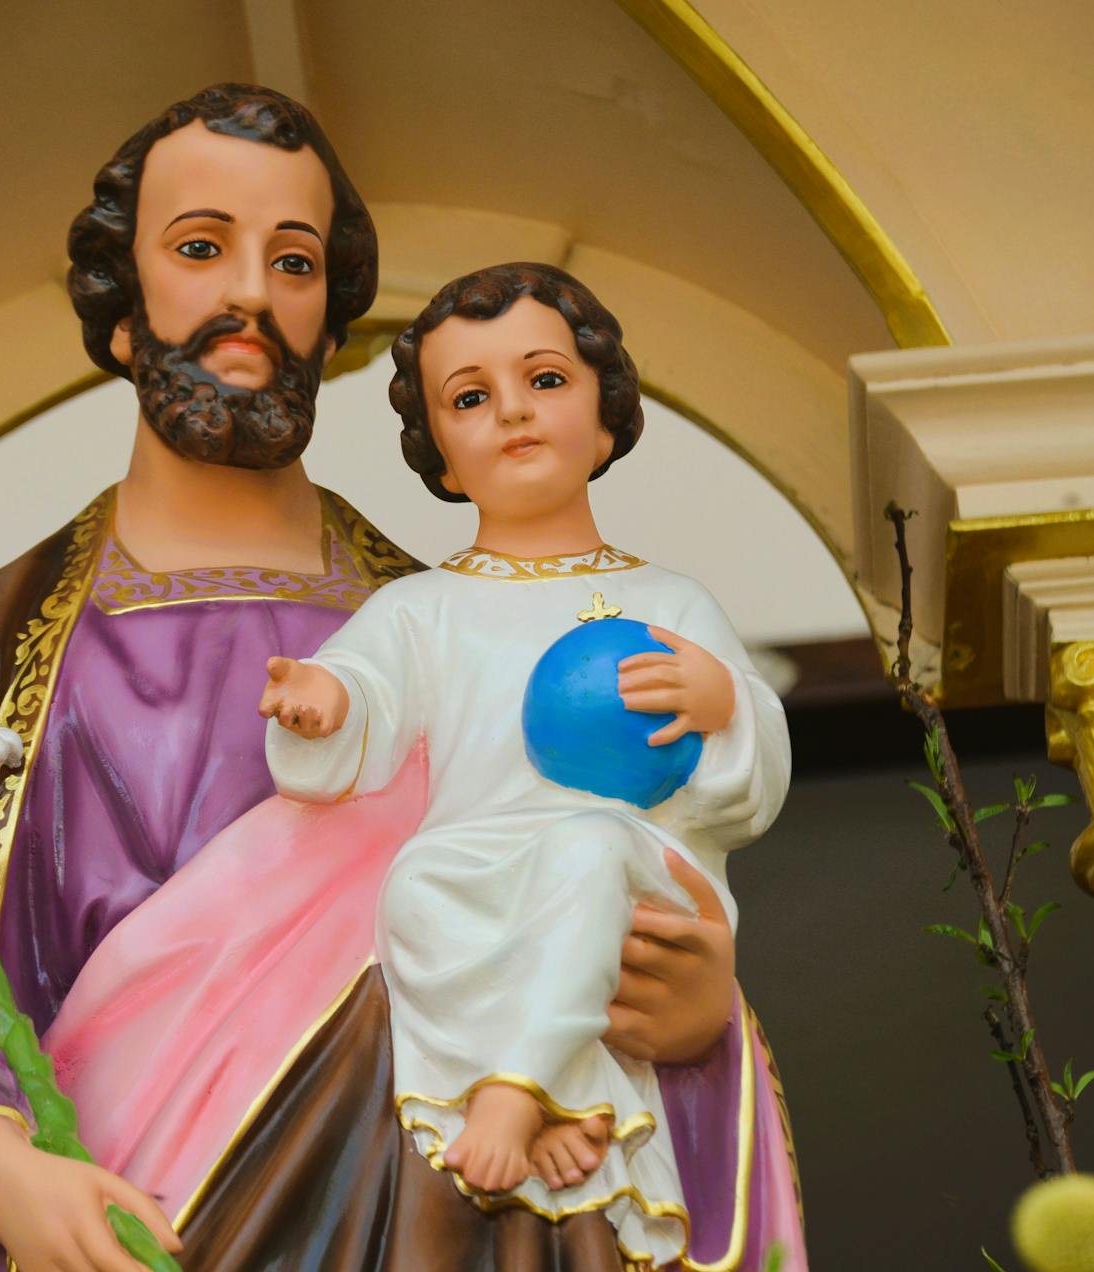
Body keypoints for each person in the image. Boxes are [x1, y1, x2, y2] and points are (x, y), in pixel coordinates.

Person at [0, 85, 755, 1272]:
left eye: (294, 262)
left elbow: (613, 868)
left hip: (452, 1218)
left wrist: (690, 1017)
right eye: (202, 249)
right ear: (121, 312)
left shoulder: (457, 628)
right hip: (134, 1226)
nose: (251, 294)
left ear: (330, 323)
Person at [256, 262, 793, 1265]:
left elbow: (752, 777)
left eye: (545, 381)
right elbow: (366, 696)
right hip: (478, 860)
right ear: (444, 459)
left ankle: (512, 1094)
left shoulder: (665, 599)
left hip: (625, 861)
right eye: (471, 398)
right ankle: (549, 1095)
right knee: (413, 886)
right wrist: (324, 705)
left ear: (605, 420)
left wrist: (721, 705)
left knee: (583, 856)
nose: (512, 412)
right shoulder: (426, 607)